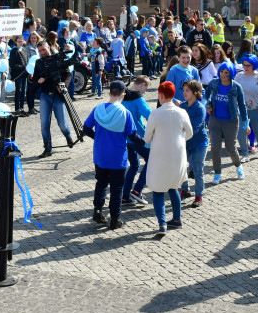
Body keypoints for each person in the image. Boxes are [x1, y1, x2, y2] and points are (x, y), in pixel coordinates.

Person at [82, 81, 137, 230]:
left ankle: (98, 210)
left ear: (109, 93)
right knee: (117, 188)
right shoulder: (125, 113)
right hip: (118, 157)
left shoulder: (98, 109)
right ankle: (115, 218)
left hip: (100, 155)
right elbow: (132, 136)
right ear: (123, 94)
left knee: (101, 182)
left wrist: (97, 137)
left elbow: (86, 128)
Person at [144, 81, 193, 237]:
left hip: (160, 155)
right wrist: (178, 138)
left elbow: (146, 138)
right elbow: (190, 133)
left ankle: (162, 224)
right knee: (173, 186)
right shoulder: (182, 112)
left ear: (160, 95)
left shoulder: (156, 113)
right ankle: (177, 219)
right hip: (178, 155)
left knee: (158, 190)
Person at [31, 41, 77, 157]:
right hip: (45, 95)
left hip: (58, 95)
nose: (42, 52)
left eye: (44, 49)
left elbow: (68, 75)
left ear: (48, 48)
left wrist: (63, 86)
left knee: (62, 124)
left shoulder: (58, 59)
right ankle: (47, 148)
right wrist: (39, 80)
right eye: (40, 51)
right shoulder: (39, 62)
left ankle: (67, 136)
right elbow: (35, 80)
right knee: (44, 124)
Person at [205, 62, 246, 183]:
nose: (223, 75)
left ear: (231, 74)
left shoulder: (236, 87)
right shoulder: (214, 83)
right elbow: (205, 96)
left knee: (230, 148)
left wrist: (245, 123)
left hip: (231, 121)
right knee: (215, 148)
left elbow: (242, 106)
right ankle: (217, 173)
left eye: (226, 73)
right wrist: (208, 105)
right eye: (222, 71)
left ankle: (238, 166)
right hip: (215, 120)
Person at [120, 76, 152, 205]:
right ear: (142, 85)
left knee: (134, 166)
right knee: (151, 160)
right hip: (138, 137)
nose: (145, 92)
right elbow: (149, 114)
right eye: (146, 89)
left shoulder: (122, 96)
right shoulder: (138, 97)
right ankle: (137, 190)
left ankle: (125, 196)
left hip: (125, 139)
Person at [178, 80, 208, 207]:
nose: (184, 93)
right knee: (183, 167)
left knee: (197, 170)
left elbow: (195, 128)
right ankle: (185, 189)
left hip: (199, 143)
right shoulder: (182, 107)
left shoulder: (200, 108)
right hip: (185, 143)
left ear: (195, 92)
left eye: (187, 90)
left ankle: (199, 196)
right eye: (184, 90)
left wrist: (180, 135)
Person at [235, 55, 258, 158]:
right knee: (241, 131)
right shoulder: (239, 76)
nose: (246, 67)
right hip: (242, 109)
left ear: (254, 65)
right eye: (244, 65)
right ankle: (245, 154)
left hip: (257, 108)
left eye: (248, 65)